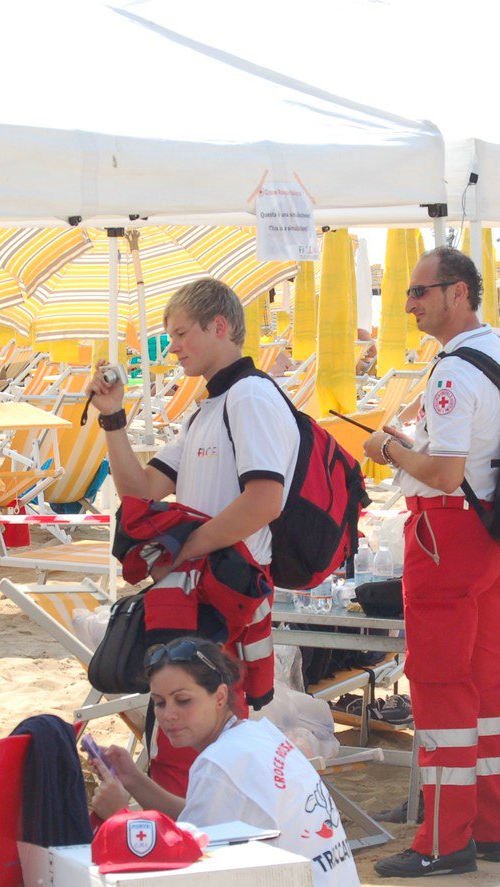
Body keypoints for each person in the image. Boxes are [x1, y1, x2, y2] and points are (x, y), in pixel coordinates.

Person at [85, 278, 298, 796]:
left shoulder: (250, 398)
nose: (173, 346)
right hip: (198, 601)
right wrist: (112, 416)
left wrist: (188, 546)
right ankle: (192, 832)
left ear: (219, 326)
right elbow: (141, 488)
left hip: (219, 597)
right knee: (189, 730)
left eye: (181, 333)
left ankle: (191, 841)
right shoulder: (209, 408)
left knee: (196, 729)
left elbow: (265, 500)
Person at [359, 246, 500, 877]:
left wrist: (392, 449)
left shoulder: (453, 373)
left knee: (440, 686)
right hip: (492, 539)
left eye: (420, 292)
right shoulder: (497, 350)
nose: (409, 304)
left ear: (458, 293)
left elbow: (446, 473)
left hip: (447, 538)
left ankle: (444, 840)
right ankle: (490, 827)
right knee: (483, 687)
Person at [88, 639, 363, 887]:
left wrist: (119, 817)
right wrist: (133, 779)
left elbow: (184, 875)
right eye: (159, 703)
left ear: (219, 697)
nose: (168, 715)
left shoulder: (221, 763)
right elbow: (201, 825)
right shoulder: (258, 734)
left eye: (183, 700)